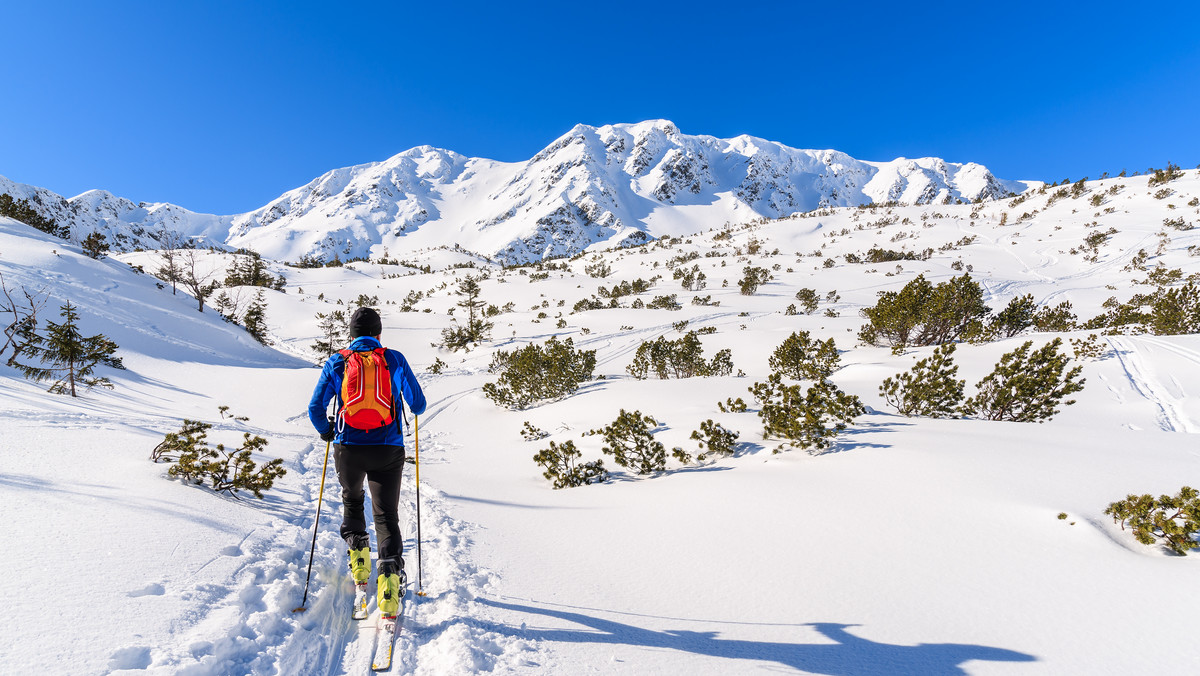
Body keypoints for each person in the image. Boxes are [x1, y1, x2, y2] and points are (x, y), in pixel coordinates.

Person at [308, 307, 426, 617]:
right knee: (386, 514)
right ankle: (389, 583)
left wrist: (328, 431)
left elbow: (315, 409)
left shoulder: (338, 361)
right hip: (388, 449)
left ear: (351, 334)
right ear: (378, 333)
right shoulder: (394, 359)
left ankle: (360, 563)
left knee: (352, 500)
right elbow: (419, 404)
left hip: (349, 449)